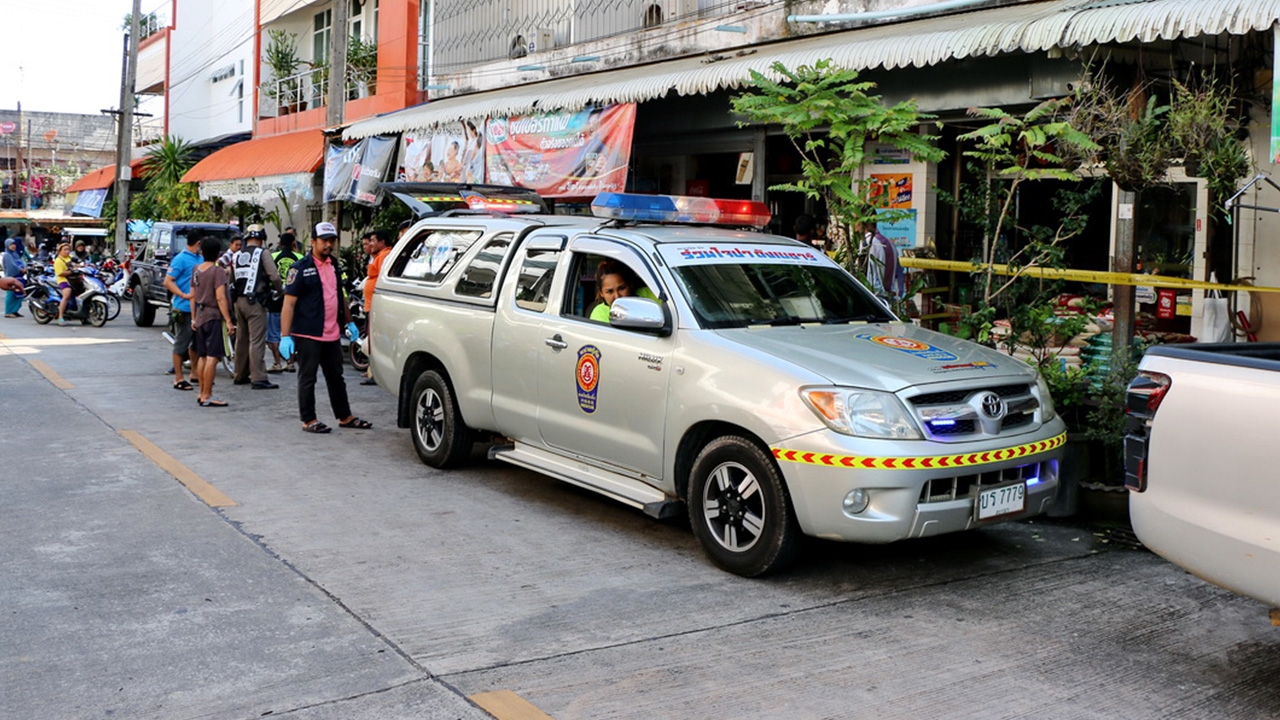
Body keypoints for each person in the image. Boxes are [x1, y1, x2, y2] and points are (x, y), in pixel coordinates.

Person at [279, 221, 372, 434]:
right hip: (308, 333)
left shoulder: (334, 265)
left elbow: (340, 296)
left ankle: (345, 416)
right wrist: (285, 336)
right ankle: (308, 419)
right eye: (324, 241)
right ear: (312, 242)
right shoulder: (300, 269)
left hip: (331, 333)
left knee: (336, 377)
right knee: (308, 378)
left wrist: (348, 321)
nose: (328, 245)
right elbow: (289, 303)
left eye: (331, 241)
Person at [230, 224, 283, 390]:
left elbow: (231, 279)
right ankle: (258, 377)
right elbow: (274, 275)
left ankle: (240, 374)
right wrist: (280, 291)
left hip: (239, 302)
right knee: (257, 340)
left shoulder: (237, 255)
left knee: (242, 339)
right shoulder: (263, 253)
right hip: (256, 302)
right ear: (262, 238)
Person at [190, 236, 235, 407]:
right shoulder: (217, 272)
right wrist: (229, 321)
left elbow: (192, 295)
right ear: (218, 254)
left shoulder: (196, 269)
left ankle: (202, 392)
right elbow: (221, 298)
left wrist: (193, 317)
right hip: (214, 317)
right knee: (213, 357)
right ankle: (207, 394)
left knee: (202, 356)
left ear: (202, 252)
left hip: (200, 317)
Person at [163, 233, 202, 390]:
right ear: (198, 243)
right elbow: (168, 281)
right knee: (181, 344)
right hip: (183, 308)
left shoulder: (200, 258)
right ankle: (178, 378)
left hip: (199, 308)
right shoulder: (180, 259)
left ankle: (194, 373)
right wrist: (183, 295)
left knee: (196, 345)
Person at [359, 228, 392, 385]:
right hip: (370, 305)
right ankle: (371, 370)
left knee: (374, 340)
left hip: (375, 306)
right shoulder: (378, 256)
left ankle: (375, 374)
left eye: (372, 241)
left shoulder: (385, 256)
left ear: (382, 242)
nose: (370, 244)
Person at [270, 232, 303, 372]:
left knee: (274, 333)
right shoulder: (300, 258)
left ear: (280, 244)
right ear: (293, 244)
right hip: (294, 300)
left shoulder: (272, 257)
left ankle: (277, 362)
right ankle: (290, 362)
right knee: (291, 331)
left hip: (275, 299)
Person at [589, 259, 656, 322]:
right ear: (601, 293)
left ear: (630, 284)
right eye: (610, 291)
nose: (617, 296)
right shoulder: (600, 314)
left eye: (622, 288)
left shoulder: (650, 296)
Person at [860, 221, 905, 301]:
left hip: (874, 297)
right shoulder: (890, 243)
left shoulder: (868, 243)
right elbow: (899, 274)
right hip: (888, 298)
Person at [52, 242, 77, 326]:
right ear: (60, 251)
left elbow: (77, 264)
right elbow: (60, 273)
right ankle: (60, 316)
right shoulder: (58, 261)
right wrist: (71, 271)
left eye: (68, 249)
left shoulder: (70, 258)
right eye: (65, 250)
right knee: (67, 294)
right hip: (63, 280)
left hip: (74, 279)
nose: (67, 251)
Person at [3, 237, 25, 317]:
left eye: (14, 244)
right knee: (11, 294)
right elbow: (12, 266)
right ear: (7, 245)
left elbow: (21, 261)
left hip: (19, 276)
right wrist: (21, 270)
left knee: (19, 293)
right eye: (11, 244)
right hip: (11, 277)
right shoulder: (7, 255)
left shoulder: (15, 254)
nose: (13, 246)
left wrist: (24, 268)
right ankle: (8, 312)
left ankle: (15, 310)